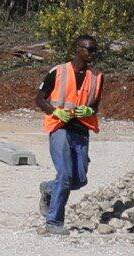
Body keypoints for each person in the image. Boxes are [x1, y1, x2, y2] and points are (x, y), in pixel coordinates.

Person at [36, 34, 105, 229]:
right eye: (88, 49)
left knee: (79, 179)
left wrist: (90, 110)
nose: (92, 53)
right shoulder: (58, 72)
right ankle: (54, 222)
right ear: (78, 49)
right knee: (65, 175)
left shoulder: (97, 76)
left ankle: (49, 189)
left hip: (81, 130)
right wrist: (55, 111)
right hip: (60, 128)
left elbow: (95, 105)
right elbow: (39, 99)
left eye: (94, 50)